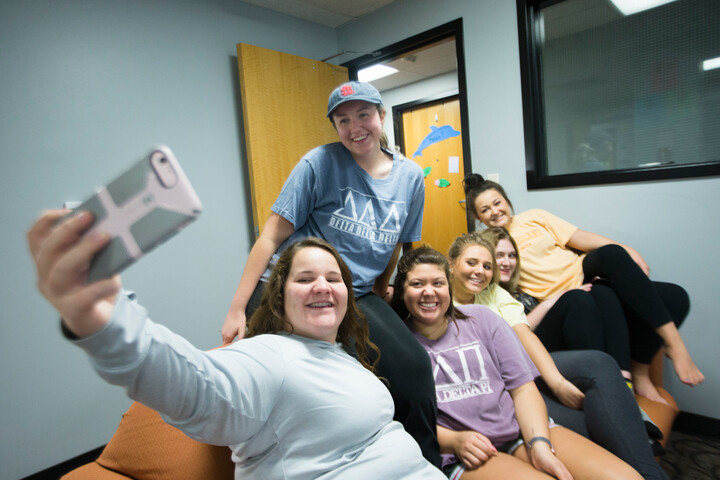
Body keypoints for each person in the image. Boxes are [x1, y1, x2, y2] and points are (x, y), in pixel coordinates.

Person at [27, 213, 446, 479]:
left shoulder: (344, 356)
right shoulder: (270, 356)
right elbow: (197, 388)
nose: (322, 285)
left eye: (333, 278)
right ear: (280, 298)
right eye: (305, 279)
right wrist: (107, 322)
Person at [222, 81, 440, 465]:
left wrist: (380, 287)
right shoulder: (319, 164)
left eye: (363, 115)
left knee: (414, 370)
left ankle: (426, 466)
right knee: (316, 377)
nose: (355, 127)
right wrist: (238, 308)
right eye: (343, 120)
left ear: (381, 116)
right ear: (335, 126)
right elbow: (272, 233)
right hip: (293, 286)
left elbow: (395, 244)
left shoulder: (410, 178)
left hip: (354, 291)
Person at [390, 246, 642, 480]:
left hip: (520, 430)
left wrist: (539, 443)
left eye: (438, 283)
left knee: (626, 477)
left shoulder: (483, 319)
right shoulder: (398, 343)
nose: (429, 291)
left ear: (449, 287)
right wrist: (454, 441)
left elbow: (522, 388)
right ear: (402, 291)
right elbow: (405, 419)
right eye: (417, 284)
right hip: (464, 451)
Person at [463, 173, 704, 405]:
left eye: (497, 203)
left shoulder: (533, 217)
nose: (494, 211)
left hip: (583, 271)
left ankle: (667, 350)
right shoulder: (487, 242)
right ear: (478, 217)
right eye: (485, 210)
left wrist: (626, 250)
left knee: (675, 297)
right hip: (567, 298)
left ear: (507, 201)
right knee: (603, 294)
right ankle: (625, 387)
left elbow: (580, 238)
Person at [447, 232, 670, 479]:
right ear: (451, 264)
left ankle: (649, 471)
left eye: (487, 266)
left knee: (600, 362)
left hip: (521, 371)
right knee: (590, 419)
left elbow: (525, 335)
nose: (480, 271)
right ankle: (637, 442)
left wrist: (558, 382)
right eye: (471, 263)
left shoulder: (493, 293)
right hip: (493, 389)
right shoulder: (435, 299)